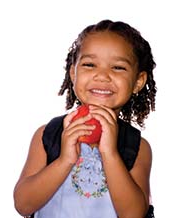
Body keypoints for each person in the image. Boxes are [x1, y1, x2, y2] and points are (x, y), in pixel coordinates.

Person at [13, 19, 157, 218]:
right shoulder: (48, 135)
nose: (102, 75)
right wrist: (64, 160)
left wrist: (110, 154)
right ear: (73, 73)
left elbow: (133, 214)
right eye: (90, 64)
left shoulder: (137, 146)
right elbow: (23, 204)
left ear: (138, 81)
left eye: (118, 68)